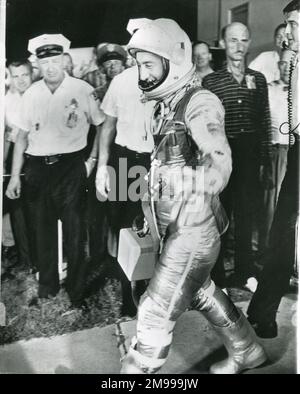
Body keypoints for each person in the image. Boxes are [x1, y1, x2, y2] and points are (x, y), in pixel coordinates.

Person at [119, 18, 266, 375]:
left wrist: (199, 185)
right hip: (173, 227)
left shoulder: (200, 102)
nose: (143, 72)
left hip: (193, 229)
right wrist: (147, 211)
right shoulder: (166, 104)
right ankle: (248, 351)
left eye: (149, 64)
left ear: (173, 62)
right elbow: (161, 168)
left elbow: (219, 158)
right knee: (201, 292)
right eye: (139, 63)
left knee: (155, 308)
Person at [5, 34, 105, 308]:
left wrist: (92, 161)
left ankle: (76, 292)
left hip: (71, 167)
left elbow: (101, 124)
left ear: (63, 60)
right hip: (37, 169)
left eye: (54, 60)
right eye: (44, 61)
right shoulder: (32, 94)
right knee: (42, 231)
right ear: (37, 64)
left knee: (74, 233)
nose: (50, 66)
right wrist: (15, 176)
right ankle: (47, 288)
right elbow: (21, 137)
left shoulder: (82, 90)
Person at [203, 22, 272, 288]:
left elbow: (264, 120)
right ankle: (217, 275)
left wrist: (264, 159)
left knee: (247, 215)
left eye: (244, 40)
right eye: (233, 40)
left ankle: (245, 272)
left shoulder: (259, 78)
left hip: (250, 152)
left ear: (249, 43)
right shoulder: (211, 81)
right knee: (220, 213)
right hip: (222, 152)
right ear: (222, 43)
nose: (238, 46)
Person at [247, 0, 299, 339]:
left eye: (294, 24)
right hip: (297, 150)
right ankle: (263, 314)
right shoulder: (294, 61)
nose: (288, 33)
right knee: (280, 233)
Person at [95, 59, 155, 317]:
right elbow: (107, 127)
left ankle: (151, 289)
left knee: (153, 225)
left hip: (154, 160)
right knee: (124, 228)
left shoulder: (168, 80)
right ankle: (127, 294)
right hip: (124, 160)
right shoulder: (121, 81)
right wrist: (101, 168)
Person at [85, 44, 127, 288]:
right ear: (102, 67)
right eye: (108, 63)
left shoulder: (134, 89)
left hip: (122, 158)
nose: (112, 66)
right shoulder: (97, 93)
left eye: (116, 62)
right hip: (101, 158)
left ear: (124, 64)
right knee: (99, 211)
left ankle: (119, 258)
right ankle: (100, 258)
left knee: (119, 211)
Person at [258, 48, 294, 253]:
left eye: (291, 64)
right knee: (272, 206)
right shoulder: (270, 90)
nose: (286, 68)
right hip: (276, 152)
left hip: (295, 151)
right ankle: (268, 252)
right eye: (282, 63)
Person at [3, 59, 34, 272]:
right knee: (17, 209)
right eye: (16, 76)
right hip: (16, 153)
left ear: (31, 74)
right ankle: (25, 258)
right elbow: (6, 135)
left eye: (24, 75)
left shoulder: (40, 95)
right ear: (10, 78)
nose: (21, 80)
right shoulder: (6, 101)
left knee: (36, 209)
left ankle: (40, 256)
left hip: (38, 154)